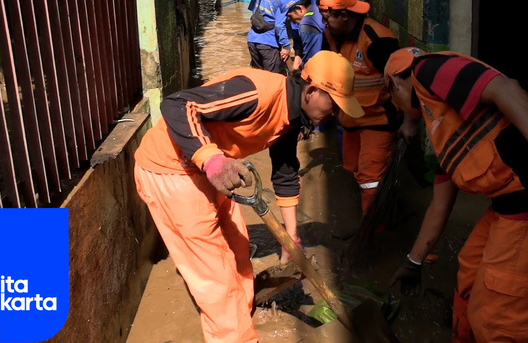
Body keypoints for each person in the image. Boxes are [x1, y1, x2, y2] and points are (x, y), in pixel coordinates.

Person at [133, 51, 364, 343]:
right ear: (313, 90)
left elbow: (284, 172)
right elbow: (179, 103)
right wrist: (210, 158)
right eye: (334, 105)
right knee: (214, 275)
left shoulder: (294, 117)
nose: (336, 114)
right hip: (171, 169)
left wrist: (290, 238)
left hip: (211, 168)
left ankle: (240, 314)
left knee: (239, 250)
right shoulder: (256, 92)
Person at [383, 47, 528, 343]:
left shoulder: (427, 70)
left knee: (494, 319)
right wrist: (413, 263)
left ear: (394, 83)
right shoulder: (445, 127)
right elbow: (439, 207)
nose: (403, 112)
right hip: (511, 204)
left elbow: (506, 87)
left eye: (397, 103)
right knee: (469, 272)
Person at [316, 0, 416, 215]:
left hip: (378, 122)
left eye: (326, 16)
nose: (324, 22)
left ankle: (373, 237)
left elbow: (408, 85)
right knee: (353, 170)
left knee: (371, 179)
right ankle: (382, 209)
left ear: (343, 15)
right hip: (350, 120)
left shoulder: (377, 40)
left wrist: (410, 122)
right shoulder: (332, 34)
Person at [278, 0, 325, 72]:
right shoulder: (317, 8)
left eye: (290, 17)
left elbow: (312, 61)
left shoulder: (306, 25)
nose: (291, 21)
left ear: (299, 9)